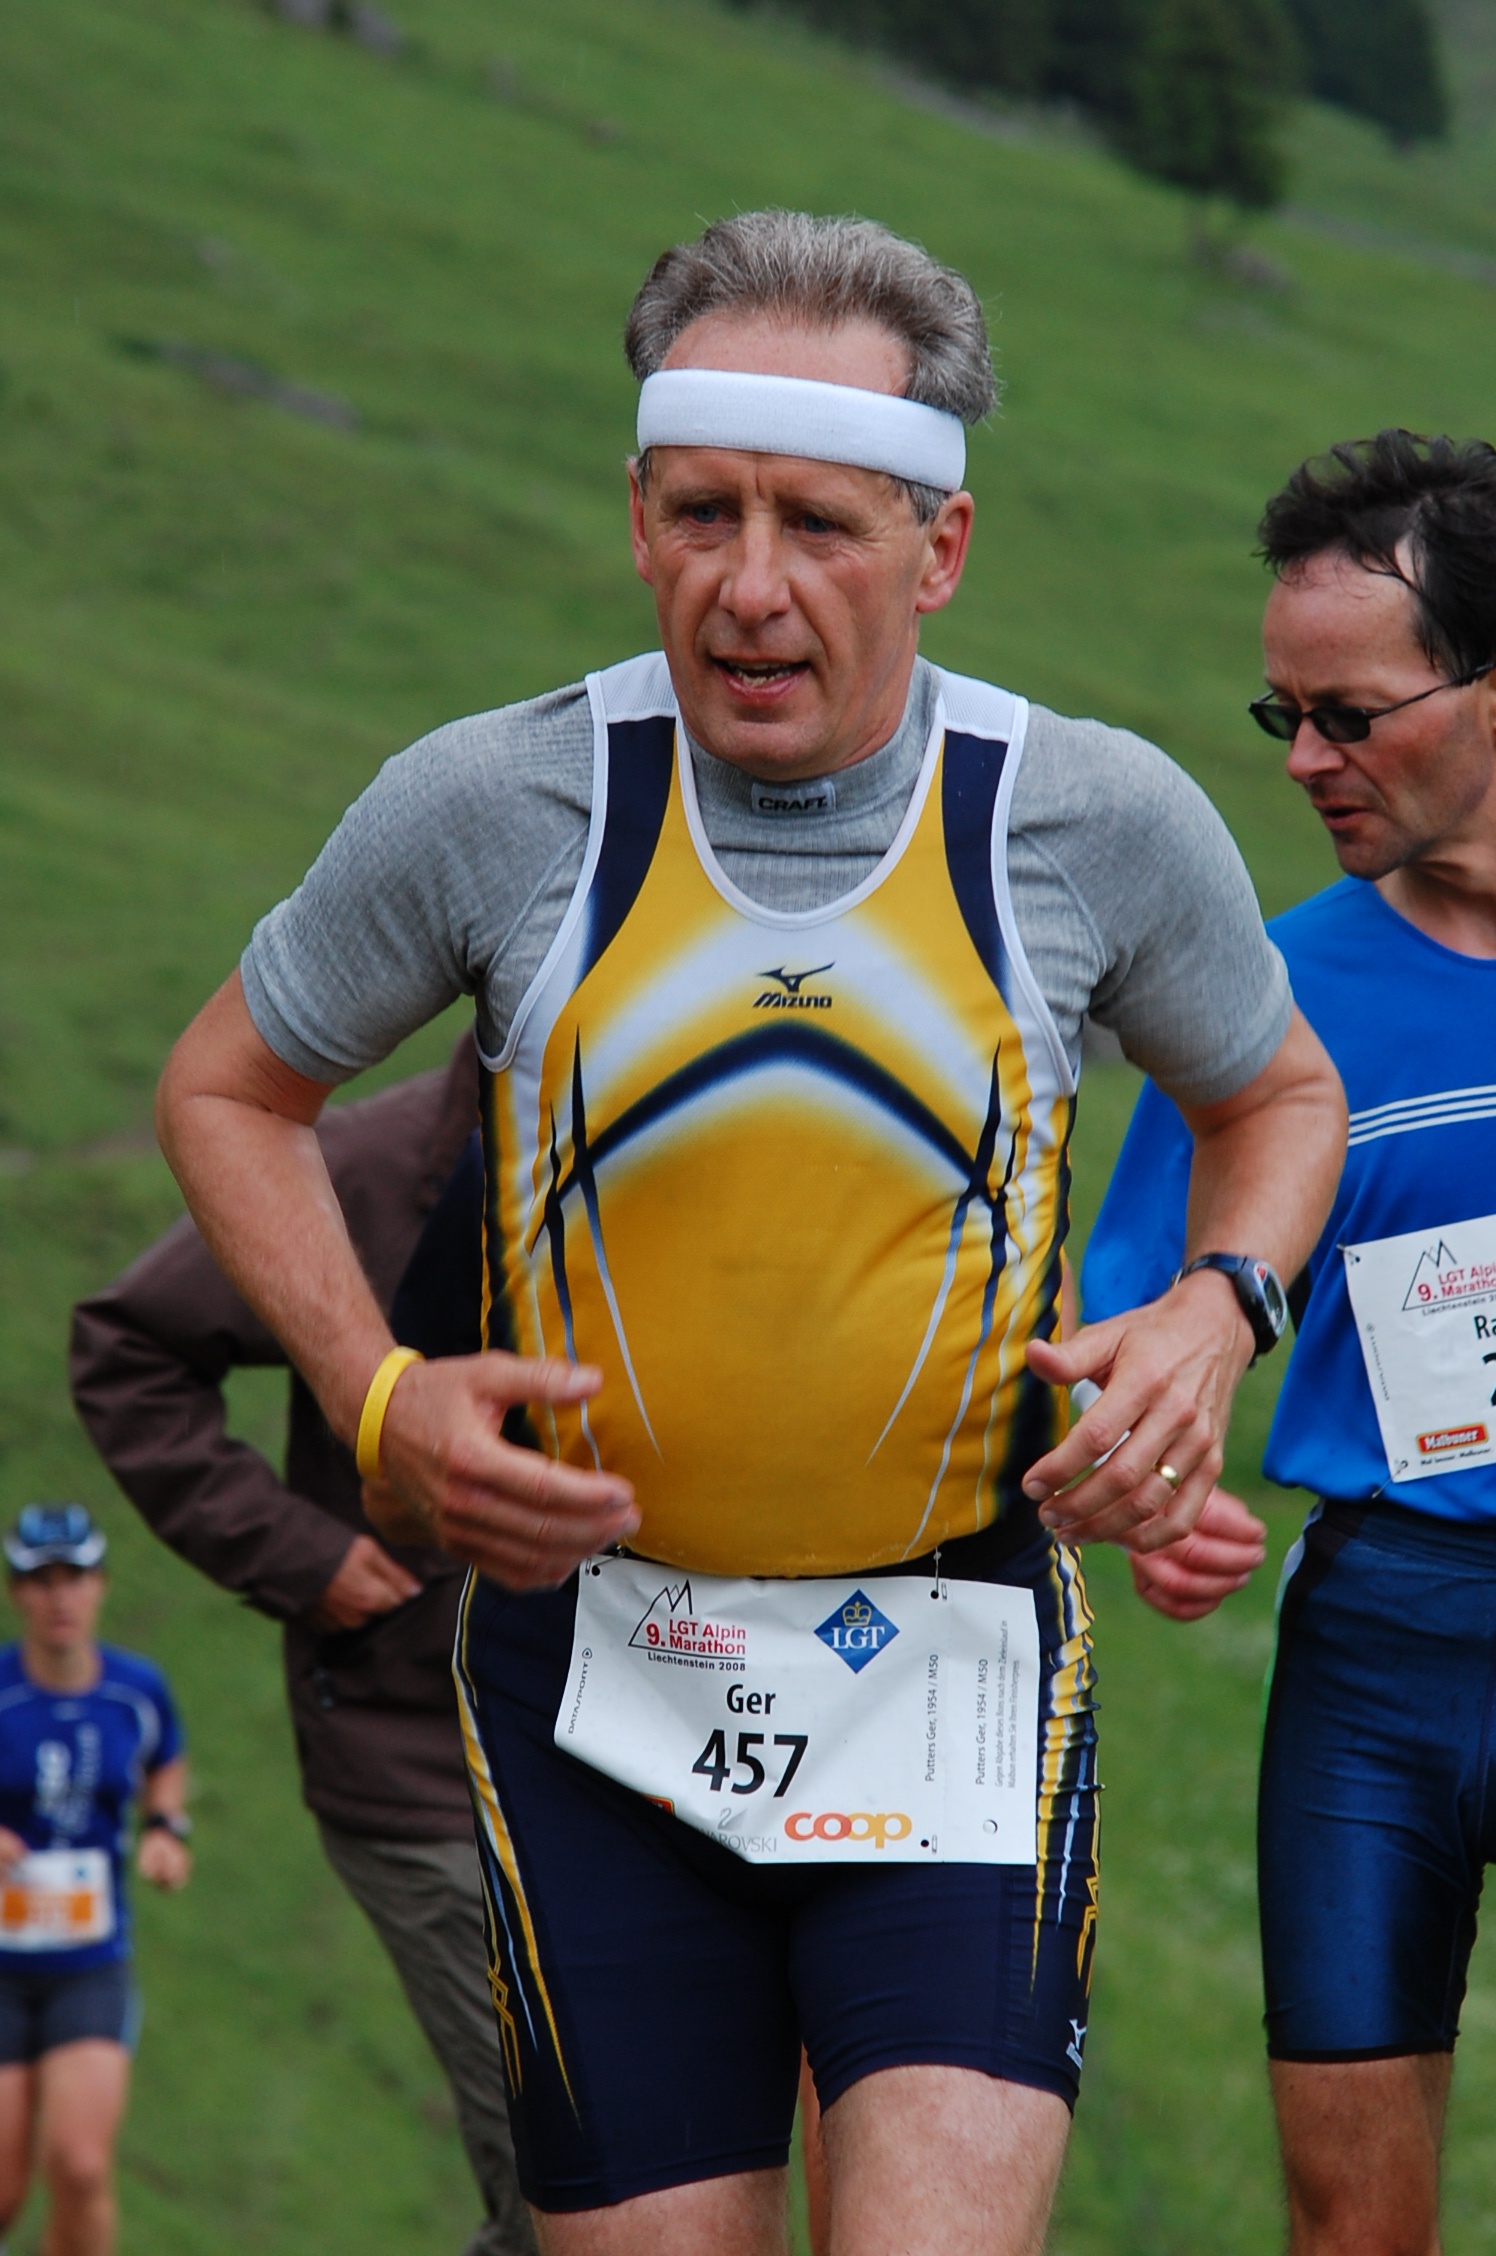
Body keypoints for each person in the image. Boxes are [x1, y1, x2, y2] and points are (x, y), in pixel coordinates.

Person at [151, 210, 1346, 2255]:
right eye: (702, 512)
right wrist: (376, 1392)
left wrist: (1218, 1310)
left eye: (819, 524)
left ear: (938, 547)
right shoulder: (497, 803)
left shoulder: (1086, 818)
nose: (752, 585)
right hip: (597, 1684)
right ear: (638, 518)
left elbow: (1277, 1096)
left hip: (950, 1670)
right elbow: (224, 1088)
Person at [1082, 430, 1496, 2256]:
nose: (1306, 759)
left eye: (1349, 715)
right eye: (1285, 716)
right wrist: (1153, 1486)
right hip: (1384, 1655)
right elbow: (1128, 1329)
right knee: (1350, 2224)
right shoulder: (1265, 993)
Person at [68, 1038, 537, 2256]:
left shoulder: (714, 1156)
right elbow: (128, 1350)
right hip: (420, 1759)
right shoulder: (357, 1173)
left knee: (674, 2197)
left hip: (660, 1763)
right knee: (566, 2198)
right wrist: (299, 1552)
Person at [0, 1504, 189, 2256]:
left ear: (101, 1585)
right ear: (17, 1592)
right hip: (2, 1970)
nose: (60, 1597)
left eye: (74, 1577)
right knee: (3, 2190)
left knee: (79, 2167)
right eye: (42, 1580)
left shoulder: (136, 1691)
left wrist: (166, 1830)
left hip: (89, 1965)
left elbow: (164, 1761)